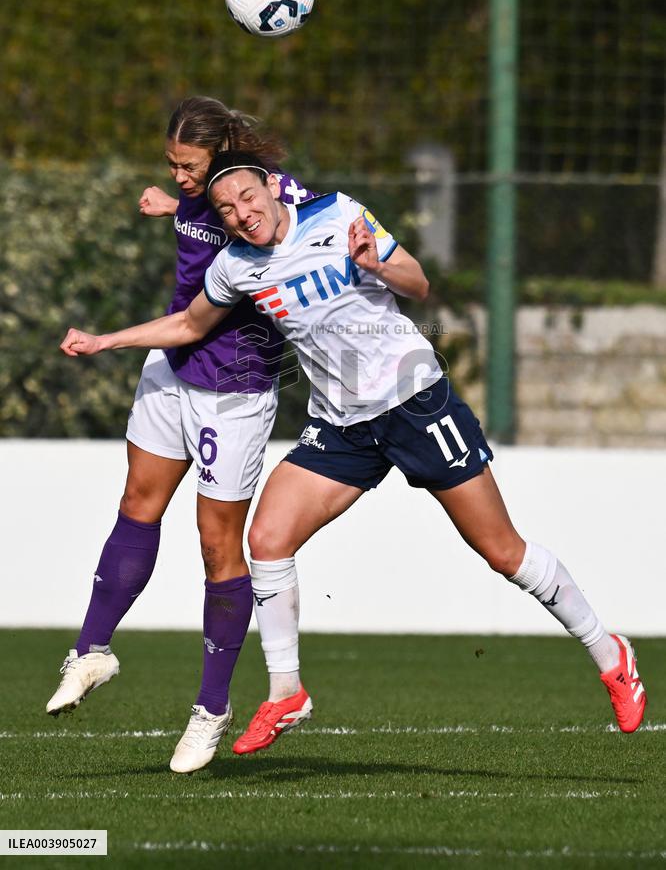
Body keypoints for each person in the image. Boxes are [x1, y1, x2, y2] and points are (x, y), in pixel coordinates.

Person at [59, 150, 648, 757]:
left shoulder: (337, 214)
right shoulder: (234, 266)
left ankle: (610, 654)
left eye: (248, 197)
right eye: (227, 209)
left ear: (270, 187)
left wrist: (376, 263)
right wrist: (108, 340)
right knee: (266, 540)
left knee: (503, 552)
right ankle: (286, 691)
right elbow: (188, 326)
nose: (241, 214)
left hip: (416, 404)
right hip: (341, 425)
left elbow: (419, 283)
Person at [46, 107, 315, 774]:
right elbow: (195, 222)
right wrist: (174, 201)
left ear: (224, 155)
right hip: (171, 370)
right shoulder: (198, 198)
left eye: (187, 165)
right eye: (170, 163)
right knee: (138, 499)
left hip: (235, 388)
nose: (177, 173)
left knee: (216, 543)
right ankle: (91, 653)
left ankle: (211, 710)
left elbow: (317, 215)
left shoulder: (266, 196)